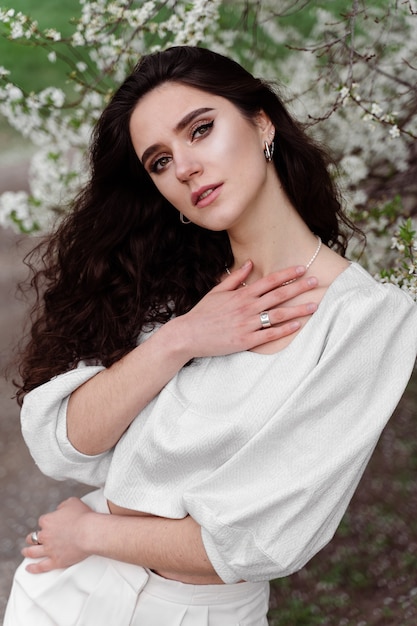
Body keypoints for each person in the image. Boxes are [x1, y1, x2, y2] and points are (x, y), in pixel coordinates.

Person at [4, 45, 417, 626]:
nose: (185, 167)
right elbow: (66, 441)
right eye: (159, 162)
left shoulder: (367, 319)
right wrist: (181, 339)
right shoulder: (171, 286)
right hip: (68, 593)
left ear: (261, 121)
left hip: (192, 609)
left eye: (200, 129)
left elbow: (263, 543)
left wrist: (90, 531)